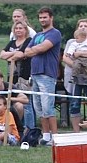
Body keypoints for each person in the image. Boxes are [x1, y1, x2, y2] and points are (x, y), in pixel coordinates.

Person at [19, 7, 62, 146]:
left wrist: (34, 50)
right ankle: (46, 135)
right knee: (39, 108)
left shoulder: (55, 33)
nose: (43, 20)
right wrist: (34, 50)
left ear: (51, 18)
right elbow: (26, 51)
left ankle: (55, 137)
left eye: (45, 17)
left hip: (47, 74)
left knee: (48, 107)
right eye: (41, 17)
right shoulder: (37, 35)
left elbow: (43, 48)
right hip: (35, 74)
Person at [1, 20, 35, 132]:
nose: (18, 30)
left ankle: (30, 129)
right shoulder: (12, 42)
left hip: (25, 77)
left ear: (25, 30)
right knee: (15, 103)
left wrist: (12, 55)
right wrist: (14, 54)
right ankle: (17, 128)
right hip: (12, 77)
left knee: (27, 103)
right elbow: (2, 55)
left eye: (21, 28)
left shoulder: (29, 41)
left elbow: (22, 54)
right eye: (16, 28)